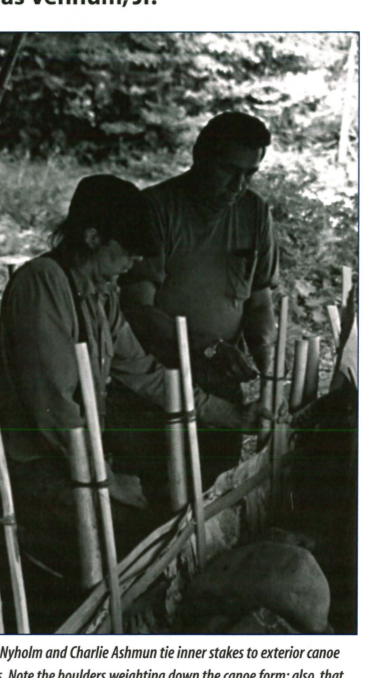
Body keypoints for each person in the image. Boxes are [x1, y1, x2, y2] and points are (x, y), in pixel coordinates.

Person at [0, 174, 258, 613]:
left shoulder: (99, 295)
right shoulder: (42, 285)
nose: (132, 264)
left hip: (76, 455)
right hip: (33, 464)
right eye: (125, 251)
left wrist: (230, 415)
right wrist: (109, 482)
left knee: (164, 511)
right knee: (138, 533)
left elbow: (146, 374)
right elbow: (55, 410)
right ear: (92, 237)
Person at [116, 111, 279, 486]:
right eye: (228, 170)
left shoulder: (255, 212)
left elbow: (258, 299)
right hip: (157, 387)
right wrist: (207, 346)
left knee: (214, 492)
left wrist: (269, 366)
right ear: (199, 156)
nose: (238, 185)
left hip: (222, 383)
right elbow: (138, 310)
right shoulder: (155, 209)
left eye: (250, 174)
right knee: (158, 499)